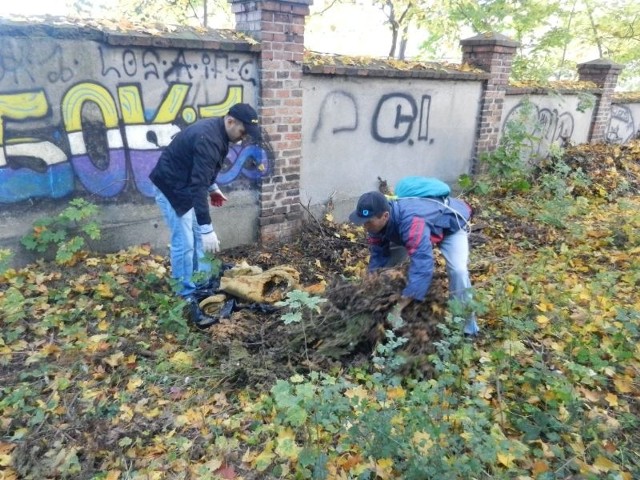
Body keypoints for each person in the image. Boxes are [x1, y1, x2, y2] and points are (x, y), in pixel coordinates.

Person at [150, 103, 261, 306]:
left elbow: (202, 169)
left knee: (197, 239)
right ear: (230, 121)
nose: (244, 137)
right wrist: (207, 227)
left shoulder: (220, 133)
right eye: (243, 131)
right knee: (185, 243)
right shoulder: (209, 138)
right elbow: (197, 185)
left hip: (186, 185)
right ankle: (184, 294)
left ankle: (200, 281)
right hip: (171, 187)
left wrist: (213, 188)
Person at [349, 186, 480, 336]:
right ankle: (384, 307)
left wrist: (401, 305)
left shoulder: (411, 222)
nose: (365, 226)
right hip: (414, 230)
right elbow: (378, 256)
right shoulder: (377, 226)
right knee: (389, 268)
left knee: (458, 271)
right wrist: (369, 285)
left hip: (449, 227)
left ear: (385, 216)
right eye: (363, 222)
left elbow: (423, 264)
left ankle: (468, 329)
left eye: (368, 222)